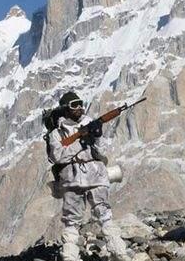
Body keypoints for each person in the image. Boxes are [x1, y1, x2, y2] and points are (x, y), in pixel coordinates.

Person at [48, 91, 130, 261]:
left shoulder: (91, 124)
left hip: (96, 175)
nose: (79, 108)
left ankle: (120, 253)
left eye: (80, 104)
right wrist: (80, 141)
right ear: (65, 109)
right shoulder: (56, 134)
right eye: (74, 105)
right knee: (72, 221)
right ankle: (70, 257)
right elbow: (57, 156)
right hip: (71, 180)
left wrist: (97, 137)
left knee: (105, 215)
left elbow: (102, 153)